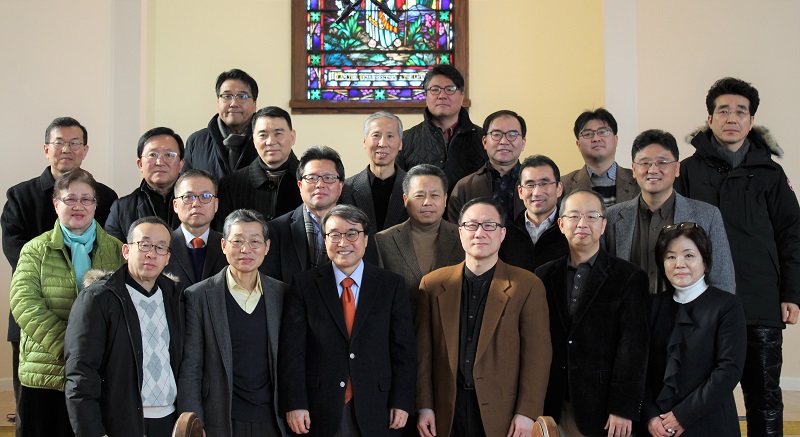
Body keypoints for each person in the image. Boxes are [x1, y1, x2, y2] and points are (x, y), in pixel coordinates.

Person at [674, 77, 800, 436]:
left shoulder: (771, 173)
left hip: (760, 300)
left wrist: (792, 293)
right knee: (700, 395)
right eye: (723, 111)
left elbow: (791, 234)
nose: (732, 118)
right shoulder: (688, 171)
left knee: (764, 395)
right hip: (701, 301)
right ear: (710, 118)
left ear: (751, 120)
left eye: (740, 111)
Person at [1, 116, 117, 433]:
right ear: (46, 149)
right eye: (60, 142)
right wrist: (68, 343)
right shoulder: (20, 197)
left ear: (85, 150)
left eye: (75, 143)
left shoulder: (107, 198)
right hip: (39, 333)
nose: (67, 149)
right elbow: (18, 262)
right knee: (36, 419)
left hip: (95, 346)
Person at [416, 197, 551, 437]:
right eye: (471, 225)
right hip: (447, 409)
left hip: (503, 412)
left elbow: (537, 357)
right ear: (460, 233)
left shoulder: (527, 285)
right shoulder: (432, 285)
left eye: (489, 225)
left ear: (502, 234)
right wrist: (424, 406)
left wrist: (527, 412)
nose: (480, 233)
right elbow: (423, 353)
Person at [278, 204, 416, 436]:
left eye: (352, 234)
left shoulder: (391, 285)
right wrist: (295, 403)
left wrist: (402, 401)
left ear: (365, 239)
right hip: (319, 406)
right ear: (324, 240)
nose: (343, 243)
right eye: (334, 235)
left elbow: (404, 350)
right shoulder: (304, 285)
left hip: (379, 405)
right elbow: (292, 352)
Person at [536, 190, 649, 437]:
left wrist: (623, 407)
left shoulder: (628, 277)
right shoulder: (543, 276)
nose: (582, 224)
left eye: (592, 216)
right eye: (574, 216)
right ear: (561, 224)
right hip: (553, 403)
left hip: (604, 408)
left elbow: (633, 349)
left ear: (603, 225)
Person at [65, 217, 183, 437]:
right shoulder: (98, 299)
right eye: (144, 245)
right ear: (126, 251)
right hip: (120, 421)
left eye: (160, 247)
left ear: (167, 258)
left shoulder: (175, 297)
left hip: (170, 420)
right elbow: (80, 375)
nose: (151, 254)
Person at [179, 209, 287, 436]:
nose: (246, 249)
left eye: (254, 241)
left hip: (273, 421)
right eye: (237, 241)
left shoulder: (283, 294)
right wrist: (194, 424)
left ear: (267, 247)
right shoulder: (198, 296)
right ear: (223, 245)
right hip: (220, 420)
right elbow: (191, 368)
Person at [642, 223, 746, 437]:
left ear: (705, 262)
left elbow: (728, 370)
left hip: (709, 422)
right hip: (657, 428)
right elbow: (640, 366)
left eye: (689, 255)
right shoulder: (652, 305)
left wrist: (682, 415)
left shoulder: (726, 305)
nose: (679, 264)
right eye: (670, 257)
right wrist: (650, 416)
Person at [605, 129, 735, 294]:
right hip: (629, 309)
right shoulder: (612, 217)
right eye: (645, 163)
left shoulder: (708, 216)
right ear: (634, 170)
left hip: (686, 310)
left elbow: (722, 282)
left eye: (662, 162)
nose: (653, 170)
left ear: (677, 168)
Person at [262, 145, 378, 282]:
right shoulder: (275, 230)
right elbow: (270, 284)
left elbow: (371, 279)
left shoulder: (360, 228)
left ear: (341, 186)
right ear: (300, 185)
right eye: (312, 178)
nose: (320, 184)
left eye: (328, 178)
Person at [375, 164, 464, 311]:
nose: (427, 202)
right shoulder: (383, 241)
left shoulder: (463, 237)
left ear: (445, 199)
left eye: (434, 195)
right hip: (402, 323)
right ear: (405, 199)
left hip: (451, 323)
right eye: (419, 196)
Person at [397, 64, 487, 196]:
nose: (442, 95)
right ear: (426, 96)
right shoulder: (405, 140)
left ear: (462, 95)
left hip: (471, 209)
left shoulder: (484, 139)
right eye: (435, 89)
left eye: (450, 89)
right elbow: (398, 191)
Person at [216, 106, 302, 224]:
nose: (270, 141)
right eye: (263, 135)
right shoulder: (230, 184)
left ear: (292, 137)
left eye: (278, 133)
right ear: (253, 140)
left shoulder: (310, 180)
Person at [447, 110, 527, 224]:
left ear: (523, 143)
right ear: (484, 142)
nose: (504, 141)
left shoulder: (537, 185)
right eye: (496, 134)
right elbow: (455, 231)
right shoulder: (464, 188)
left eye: (512, 135)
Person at [104, 127, 183, 241]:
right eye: (153, 155)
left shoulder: (197, 203)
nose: (160, 162)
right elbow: (113, 250)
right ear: (140, 164)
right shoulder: (121, 209)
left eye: (169, 155)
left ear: (181, 164)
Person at [183, 68, 260, 180]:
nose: (234, 103)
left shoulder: (268, 141)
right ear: (218, 103)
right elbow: (184, 185)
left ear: (254, 104)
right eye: (227, 96)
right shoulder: (196, 142)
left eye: (242, 96)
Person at [498, 155, 569, 274]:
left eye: (544, 184)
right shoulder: (505, 234)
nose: (536, 193)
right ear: (520, 191)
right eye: (530, 185)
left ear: (559, 189)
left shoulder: (571, 232)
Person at [340, 111, 408, 232]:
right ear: (364, 142)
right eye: (376, 135)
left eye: (390, 136)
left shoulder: (414, 188)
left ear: (400, 144)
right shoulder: (345, 189)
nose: (382, 144)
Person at [561, 108, 639, 207]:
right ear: (578, 144)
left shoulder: (638, 180)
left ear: (616, 140)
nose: (596, 138)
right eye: (588, 134)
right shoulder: (563, 185)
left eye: (603, 132)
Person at [164, 169, 227, 288]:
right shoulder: (162, 246)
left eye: (205, 196)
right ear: (176, 205)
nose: (196, 203)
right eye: (188, 197)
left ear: (216, 205)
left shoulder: (229, 246)